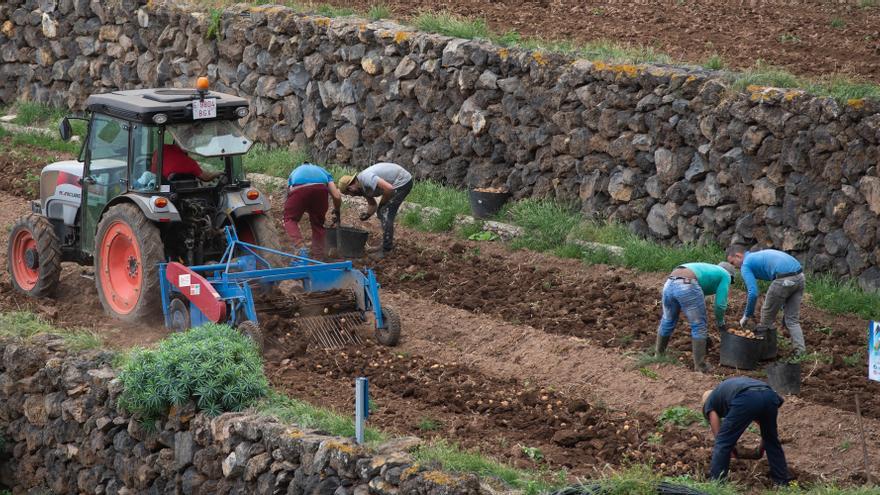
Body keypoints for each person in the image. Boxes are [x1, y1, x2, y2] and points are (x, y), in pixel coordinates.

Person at [702, 377, 790, 486]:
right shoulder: (727, 391)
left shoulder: (710, 402)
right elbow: (764, 418)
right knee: (772, 442)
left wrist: (729, 449)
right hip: (769, 395)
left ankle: (717, 484)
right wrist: (762, 447)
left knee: (722, 443)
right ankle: (782, 483)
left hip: (746, 397)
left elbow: (719, 437)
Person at [655, 262, 736, 372]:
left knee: (668, 320)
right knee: (699, 326)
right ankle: (700, 366)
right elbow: (720, 305)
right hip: (687, 284)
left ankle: (658, 356)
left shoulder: (708, 269)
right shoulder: (725, 275)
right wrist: (721, 323)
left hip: (669, 282)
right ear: (731, 276)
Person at [726, 245, 806, 354]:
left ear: (738, 256)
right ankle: (800, 353)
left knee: (766, 316)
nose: (735, 267)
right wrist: (783, 305)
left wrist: (746, 315)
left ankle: (763, 352)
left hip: (784, 279)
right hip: (800, 277)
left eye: (732, 263)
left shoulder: (746, 264)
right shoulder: (759, 255)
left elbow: (753, 293)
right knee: (792, 320)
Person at [338, 163, 413, 258]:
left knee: (385, 212)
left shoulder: (366, 179)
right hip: (395, 184)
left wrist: (382, 205)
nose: (351, 196)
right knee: (382, 212)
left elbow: (389, 189)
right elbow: (372, 204)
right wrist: (367, 214)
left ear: (350, 187)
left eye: (349, 193)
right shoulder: (361, 188)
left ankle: (386, 250)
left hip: (402, 181)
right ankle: (385, 244)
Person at [283, 163, 342, 260]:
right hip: (320, 190)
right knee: (318, 224)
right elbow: (336, 196)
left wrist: (293, 210)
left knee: (290, 219)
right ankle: (318, 256)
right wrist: (337, 209)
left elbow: (289, 194)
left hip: (298, 189)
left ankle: (300, 247)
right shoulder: (324, 172)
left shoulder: (295, 172)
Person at [151, 143, 222, 181]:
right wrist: (219, 173)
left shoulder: (161, 148)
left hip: (156, 185)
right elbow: (206, 177)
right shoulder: (190, 163)